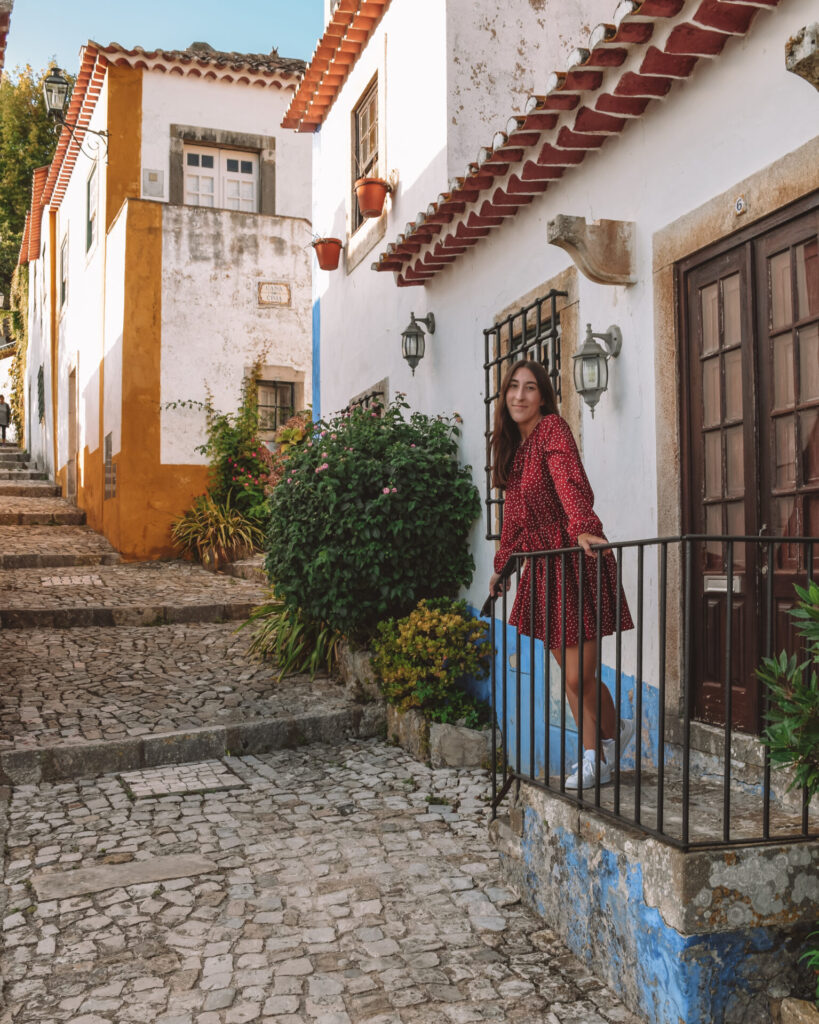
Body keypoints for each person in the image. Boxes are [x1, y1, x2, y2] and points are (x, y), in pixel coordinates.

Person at [489, 359, 635, 790]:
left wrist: (583, 525)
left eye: (530, 388)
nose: (519, 395)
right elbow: (514, 522)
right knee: (572, 677)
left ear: (543, 397)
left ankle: (596, 754)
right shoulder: (513, 453)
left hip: (573, 559)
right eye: (513, 387)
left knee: (577, 677)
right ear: (504, 397)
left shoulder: (552, 430)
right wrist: (502, 569)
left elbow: (568, 480)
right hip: (542, 570)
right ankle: (605, 745)